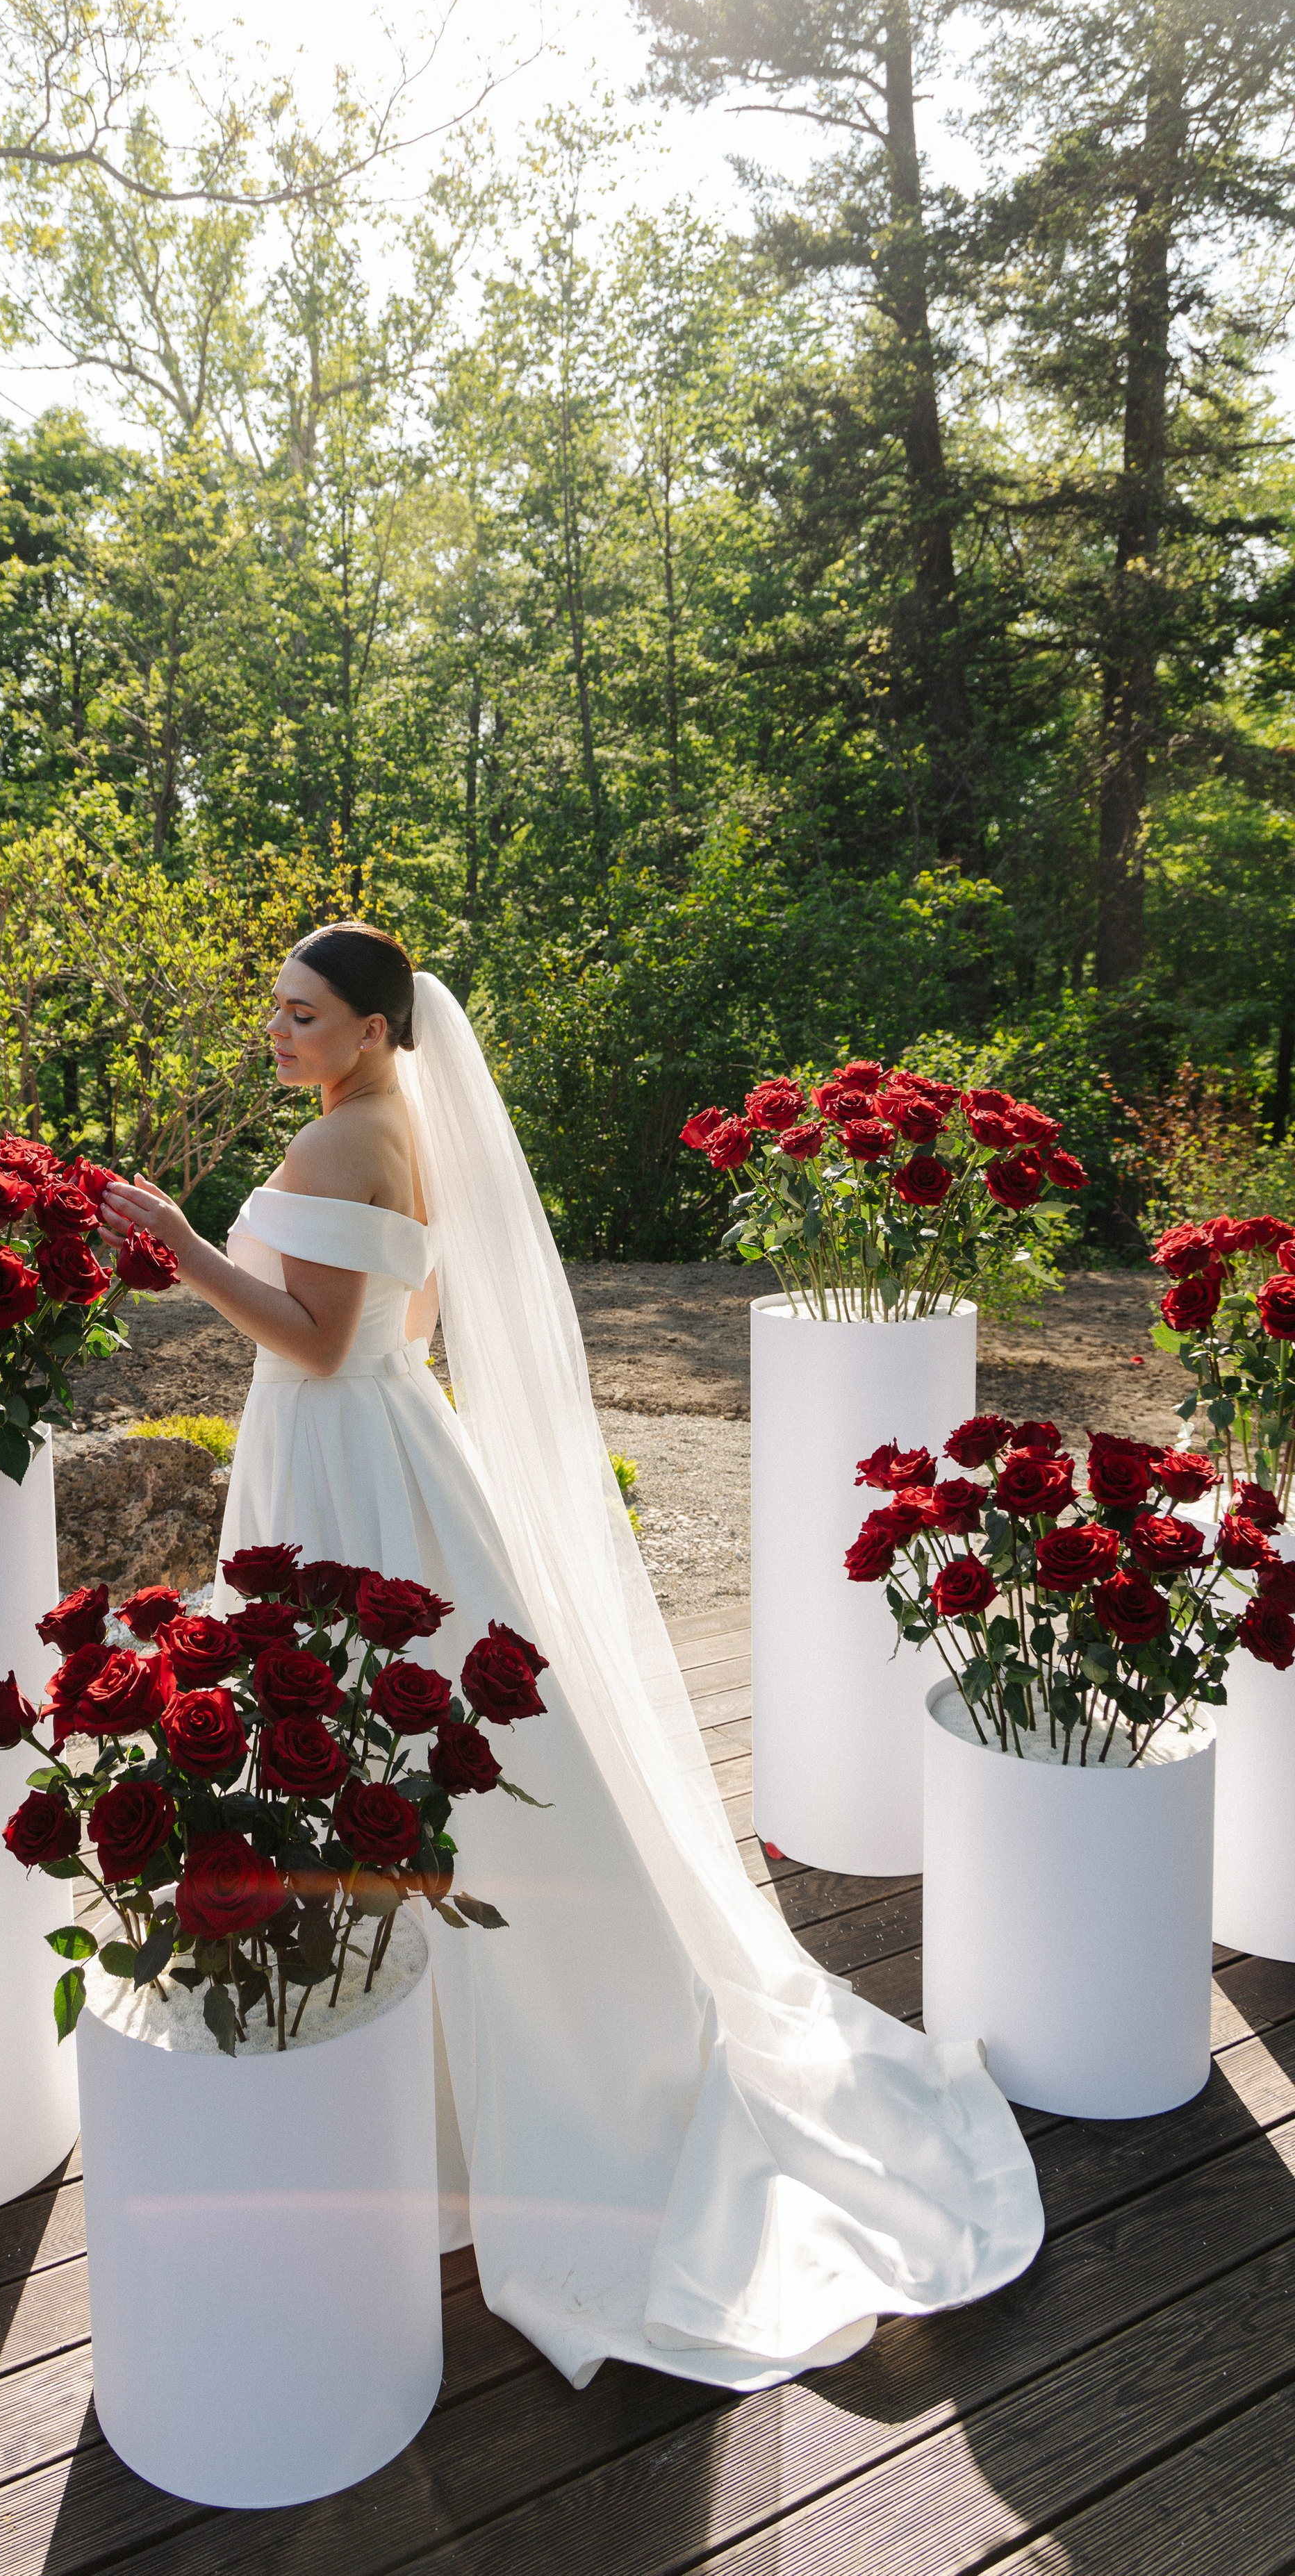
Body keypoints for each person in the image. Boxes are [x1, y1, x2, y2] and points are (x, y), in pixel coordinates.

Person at [96, 922, 1043, 2393]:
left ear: (367, 1027)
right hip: (384, 1439)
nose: (273, 1032)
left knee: (362, 1730)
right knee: (389, 1735)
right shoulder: (390, 1122)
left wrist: (183, 1245)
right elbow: (391, 1318)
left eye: (299, 1014)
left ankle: (442, 2085)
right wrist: (199, 1267)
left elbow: (324, 1342)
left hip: (345, 1444)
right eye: (270, 1010)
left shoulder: (345, 1139)